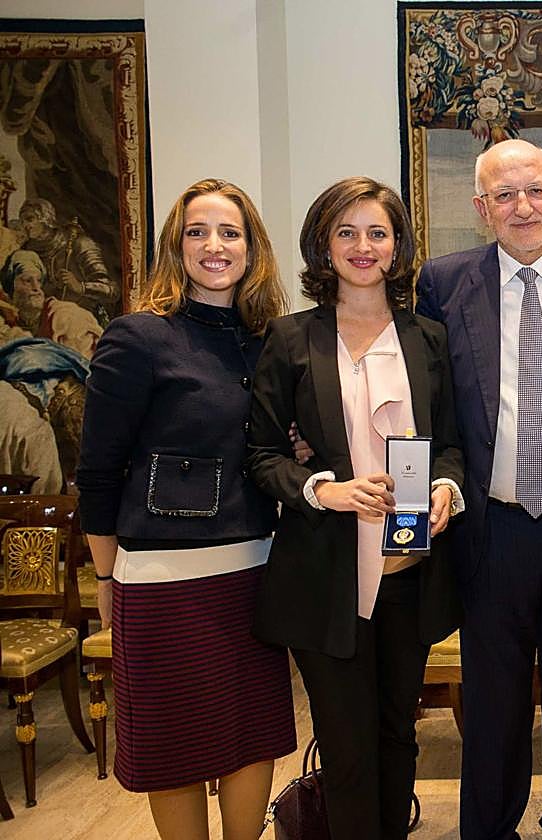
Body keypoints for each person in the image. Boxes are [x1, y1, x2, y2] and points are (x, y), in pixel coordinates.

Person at [76, 178, 295, 840]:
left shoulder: (271, 341)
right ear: (176, 247)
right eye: (197, 232)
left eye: (230, 232)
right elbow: (97, 471)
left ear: (252, 248)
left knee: (250, 737)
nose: (214, 245)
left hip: (255, 574)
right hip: (160, 585)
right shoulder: (137, 337)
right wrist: (106, 581)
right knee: (173, 744)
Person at [248, 176, 464, 840]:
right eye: (346, 232)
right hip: (325, 577)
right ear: (323, 245)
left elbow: (451, 445)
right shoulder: (290, 340)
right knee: (345, 748)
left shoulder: (428, 337)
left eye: (377, 232)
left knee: (400, 735)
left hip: (408, 575)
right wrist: (324, 489)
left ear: (398, 247)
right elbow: (260, 454)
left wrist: (446, 491)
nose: (362, 246)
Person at [415, 138, 542, 840]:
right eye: (504, 194)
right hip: (490, 528)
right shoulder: (443, 281)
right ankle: (489, 830)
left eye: (535, 192)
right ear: (480, 207)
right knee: (492, 704)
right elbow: (427, 401)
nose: (522, 207)